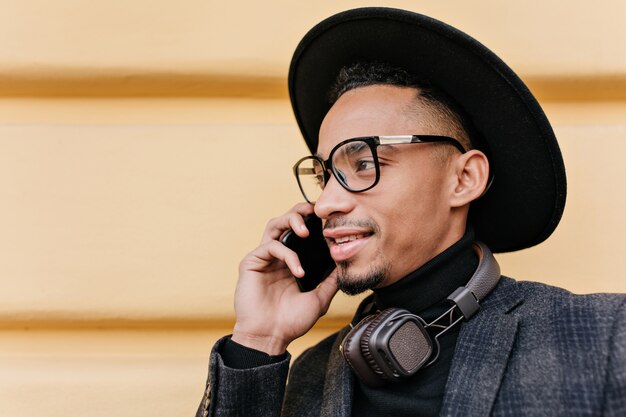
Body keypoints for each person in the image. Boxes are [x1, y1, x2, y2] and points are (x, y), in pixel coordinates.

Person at [196, 8, 625, 417]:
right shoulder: (307, 376)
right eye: (325, 174)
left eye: (363, 162)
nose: (324, 204)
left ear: (464, 179)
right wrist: (257, 340)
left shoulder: (602, 338)